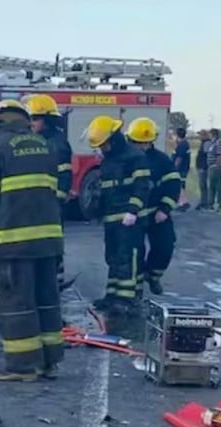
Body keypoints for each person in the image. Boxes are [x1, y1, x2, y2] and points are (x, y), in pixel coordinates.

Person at [0, 100, 64, 382]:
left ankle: (21, 367)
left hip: (12, 241)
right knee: (45, 299)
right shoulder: (46, 146)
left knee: (15, 302)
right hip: (48, 240)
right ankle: (47, 362)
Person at [83, 116, 151, 314]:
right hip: (111, 218)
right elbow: (105, 188)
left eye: (103, 144)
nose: (101, 148)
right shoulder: (109, 159)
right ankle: (112, 295)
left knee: (126, 258)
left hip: (128, 219)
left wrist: (132, 211)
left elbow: (142, 187)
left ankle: (126, 299)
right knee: (112, 257)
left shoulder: (135, 157)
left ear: (113, 139)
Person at [126, 118, 179, 296]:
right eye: (137, 143)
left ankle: (153, 275)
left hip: (157, 213)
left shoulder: (162, 161)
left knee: (165, 247)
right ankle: (137, 292)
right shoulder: (126, 160)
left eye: (145, 143)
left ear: (152, 141)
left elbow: (173, 185)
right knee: (136, 254)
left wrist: (165, 208)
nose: (141, 147)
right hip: (134, 216)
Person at [24, 94, 72, 289]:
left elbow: (64, 176)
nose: (31, 123)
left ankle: (55, 281)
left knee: (51, 242)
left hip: (51, 203)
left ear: (48, 120)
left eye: (35, 119)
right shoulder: (38, 139)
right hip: (40, 202)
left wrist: (56, 201)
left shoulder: (57, 143)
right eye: (30, 119)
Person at [171, 127, 191, 211]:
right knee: (181, 185)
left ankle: (184, 203)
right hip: (183, 168)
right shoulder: (184, 144)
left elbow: (179, 158)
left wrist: (174, 168)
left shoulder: (182, 145)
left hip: (181, 169)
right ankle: (182, 202)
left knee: (180, 185)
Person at [207, 128, 221, 212]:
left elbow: (219, 156)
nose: (209, 135)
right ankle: (211, 204)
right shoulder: (212, 143)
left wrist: (216, 166)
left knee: (218, 186)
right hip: (211, 167)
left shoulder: (218, 143)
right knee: (212, 186)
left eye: (210, 134)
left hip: (216, 167)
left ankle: (219, 205)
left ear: (213, 134)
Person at [195, 129, 212, 210]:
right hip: (201, 167)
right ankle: (203, 202)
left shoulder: (207, 143)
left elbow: (206, 156)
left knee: (203, 185)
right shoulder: (203, 143)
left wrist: (203, 167)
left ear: (204, 135)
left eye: (200, 135)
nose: (199, 136)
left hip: (203, 168)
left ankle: (205, 203)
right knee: (202, 186)